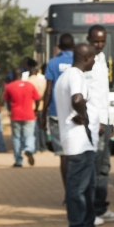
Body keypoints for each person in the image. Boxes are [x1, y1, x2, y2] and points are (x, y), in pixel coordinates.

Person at [55, 43, 101, 227]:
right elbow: (77, 98)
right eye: (92, 58)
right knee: (78, 189)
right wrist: (83, 115)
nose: (93, 62)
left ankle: (87, 226)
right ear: (86, 58)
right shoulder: (76, 75)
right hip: (78, 142)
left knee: (88, 187)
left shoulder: (63, 77)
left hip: (77, 141)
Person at [87, 26, 114, 225]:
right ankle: (90, 212)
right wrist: (96, 121)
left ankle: (101, 208)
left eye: (102, 41)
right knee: (92, 168)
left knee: (104, 167)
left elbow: (103, 95)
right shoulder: (86, 61)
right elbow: (83, 96)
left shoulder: (102, 60)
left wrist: (110, 121)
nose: (99, 45)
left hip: (105, 122)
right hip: (95, 124)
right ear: (88, 39)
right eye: (96, 41)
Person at [40, 33, 76, 187]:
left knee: (63, 155)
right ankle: (77, 191)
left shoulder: (53, 63)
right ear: (73, 46)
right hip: (76, 114)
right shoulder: (79, 60)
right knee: (76, 153)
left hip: (56, 114)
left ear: (59, 47)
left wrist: (43, 114)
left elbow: (48, 91)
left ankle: (68, 192)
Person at [4, 63, 40, 168]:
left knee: (16, 137)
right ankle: (29, 149)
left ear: (12, 76)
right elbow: (37, 99)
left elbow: (6, 101)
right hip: (29, 114)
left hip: (15, 115)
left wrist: (10, 110)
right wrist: (36, 110)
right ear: (22, 75)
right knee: (29, 135)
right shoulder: (29, 85)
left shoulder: (9, 87)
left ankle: (18, 161)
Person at [29, 62, 49, 152]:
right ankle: (43, 146)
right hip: (42, 106)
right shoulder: (43, 81)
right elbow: (47, 93)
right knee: (42, 127)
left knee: (34, 128)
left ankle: (36, 146)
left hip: (31, 107)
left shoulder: (27, 82)